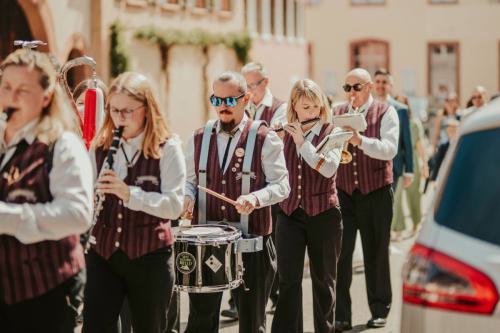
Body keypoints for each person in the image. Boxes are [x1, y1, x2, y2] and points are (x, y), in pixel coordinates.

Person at [182, 71, 290, 333]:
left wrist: (255, 197)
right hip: (206, 241)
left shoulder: (265, 137)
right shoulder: (198, 137)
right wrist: (187, 196)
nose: (222, 107)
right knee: (201, 320)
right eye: (216, 100)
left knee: (252, 321)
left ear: (246, 98)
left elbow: (282, 185)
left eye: (229, 101)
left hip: (252, 241)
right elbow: (190, 180)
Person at [82, 72, 185, 333]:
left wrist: (130, 194)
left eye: (128, 111)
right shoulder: (101, 147)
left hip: (149, 257)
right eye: (114, 110)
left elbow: (174, 206)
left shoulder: (168, 147)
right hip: (103, 254)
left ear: (147, 110)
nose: (120, 118)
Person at [0, 48, 93, 332]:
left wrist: (7, 217)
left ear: (46, 97)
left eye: (23, 90)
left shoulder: (62, 145)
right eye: (6, 87)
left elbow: (78, 215)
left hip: (44, 291)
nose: (12, 97)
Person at [270, 79, 343, 333]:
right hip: (289, 214)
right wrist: (275, 139)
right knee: (288, 281)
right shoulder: (284, 134)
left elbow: (329, 168)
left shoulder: (333, 132)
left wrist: (303, 143)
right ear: (295, 107)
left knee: (324, 282)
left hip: (324, 214)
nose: (312, 113)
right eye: (306, 107)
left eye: (315, 107)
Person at [333, 68, 399, 331]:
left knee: (376, 254)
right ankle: (341, 315)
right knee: (341, 256)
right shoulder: (337, 112)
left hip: (376, 193)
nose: (351, 93)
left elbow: (389, 149)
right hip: (344, 193)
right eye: (347, 88)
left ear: (369, 87)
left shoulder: (385, 112)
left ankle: (380, 308)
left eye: (356, 88)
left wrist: (359, 140)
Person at [391, 95, 429, 239]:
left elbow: (420, 147)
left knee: (414, 196)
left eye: (403, 103)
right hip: (398, 164)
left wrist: (425, 165)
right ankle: (398, 228)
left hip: (413, 163)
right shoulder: (392, 123)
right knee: (397, 197)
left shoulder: (414, 123)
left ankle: (416, 224)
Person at [373, 68, 413, 190]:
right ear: (373, 84)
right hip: (370, 166)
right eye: (378, 82)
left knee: (387, 205)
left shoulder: (401, 109)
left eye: (384, 82)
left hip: (393, 167)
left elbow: (407, 142)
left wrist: (409, 171)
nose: (380, 85)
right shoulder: (367, 108)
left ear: (390, 85)